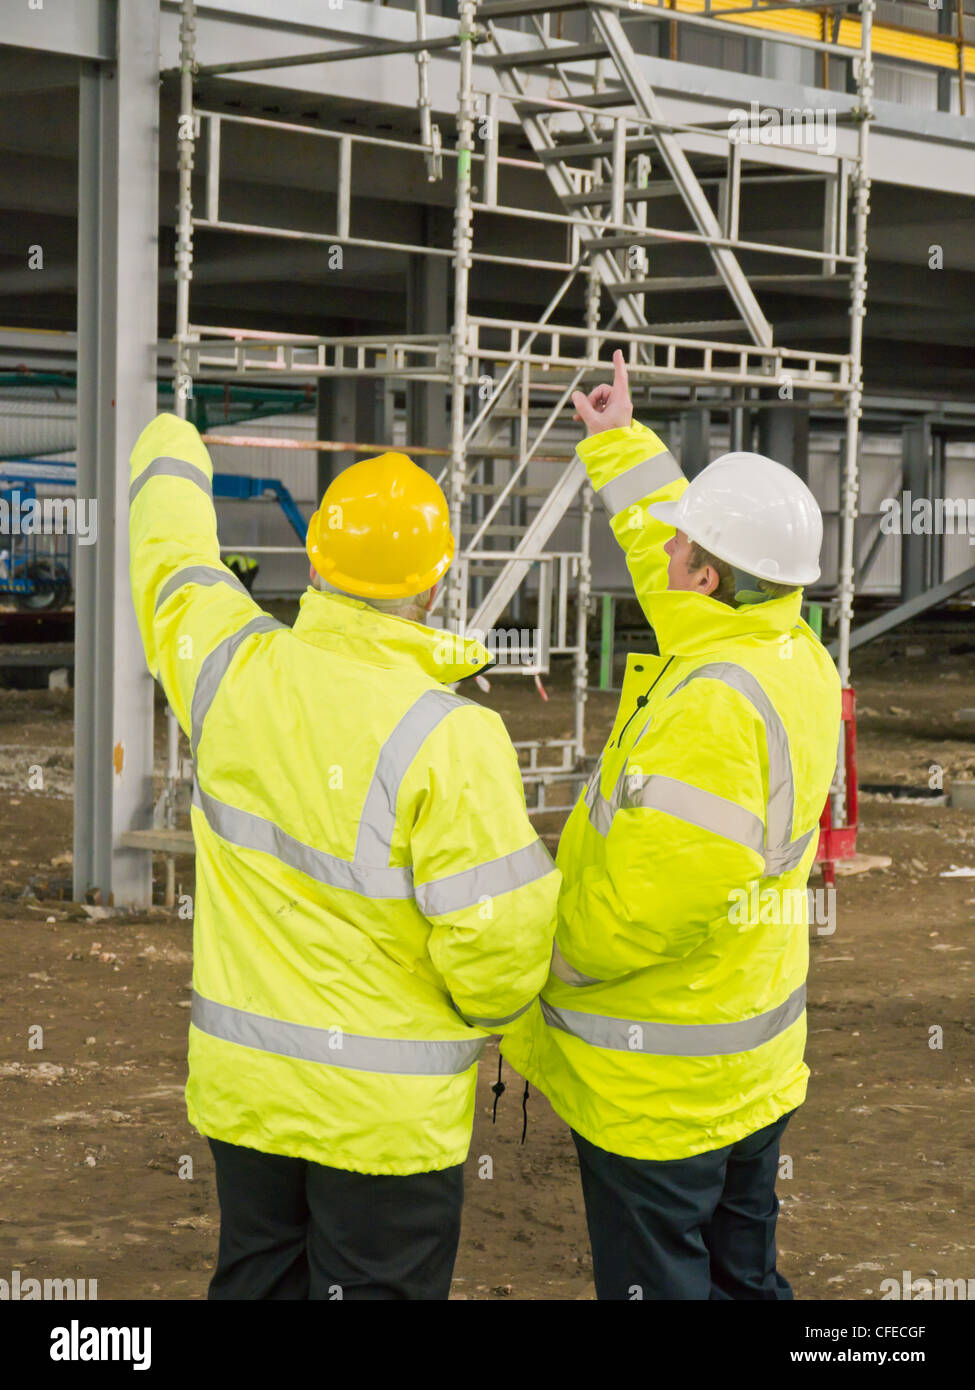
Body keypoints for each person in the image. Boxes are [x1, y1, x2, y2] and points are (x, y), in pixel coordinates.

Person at [128, 414, 559, 1300]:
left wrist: (169, 437)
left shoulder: (229, 669)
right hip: (385, 1122)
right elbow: (499, 955)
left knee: (255, 1278)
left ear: (315, 564)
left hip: (248, 1094)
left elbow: (171, 563)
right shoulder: (454, 738)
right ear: (434, 588)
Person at [501, 350, 842, 1301]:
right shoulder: (782, 645)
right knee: (743, 1274)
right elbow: (680, 552)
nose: (661, 550)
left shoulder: (713, 710)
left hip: (659, 1087)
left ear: (706, 579)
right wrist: (618, 444)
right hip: (746, 1062)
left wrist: (527, 967)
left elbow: (640, 911)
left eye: (681, 548)